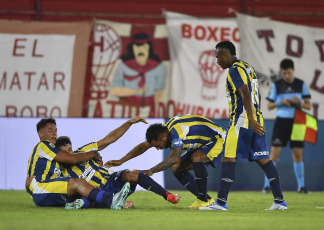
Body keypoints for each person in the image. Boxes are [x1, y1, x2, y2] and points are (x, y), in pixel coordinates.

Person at [200, 41, 287, 211]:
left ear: (226, 54)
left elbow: (245, 93)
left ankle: (221, 203)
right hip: (255, 120)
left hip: (242, 121)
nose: (217, 61)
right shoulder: (248, 67)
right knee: (264, 160)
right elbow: (257, 94)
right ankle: (279, 202)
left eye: (217, 57)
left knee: (228, 157)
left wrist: (250, 119)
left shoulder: (234, 70)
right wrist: (256, 117)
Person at [55, 118, 180, 209]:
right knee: (90, 196)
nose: (70, 154)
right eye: (65, 153)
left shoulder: (82, 152)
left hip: (111, 180)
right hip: (97, 192)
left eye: (70, 150)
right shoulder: (61, 172)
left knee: (132, 174)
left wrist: (129, 122)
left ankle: (167, 195)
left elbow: (109, 139)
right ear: (60, 156)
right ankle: (113, 201)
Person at [106, 114, 225, 209]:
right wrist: (121, 160)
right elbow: (143, 146)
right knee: (177, 168)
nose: (158, 149)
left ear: (164, 138)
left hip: (216, 138)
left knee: (196, 158)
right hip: (201, 142)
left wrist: (151, 171)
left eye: (158, 145)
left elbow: (174, 158)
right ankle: (207, 200)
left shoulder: (176, 134)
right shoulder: (163, 132)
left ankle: (204, 201)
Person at [26, 118, 130, 209]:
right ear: (40, 133)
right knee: (78, 183)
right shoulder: (43, 145)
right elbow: (73, 159)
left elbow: (107, 140)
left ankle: (115, 202)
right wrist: (93, 154)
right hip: (42, 187)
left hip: (48, 190)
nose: (54, 133)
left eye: (56, 130)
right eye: (50, 130)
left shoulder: (55, 156)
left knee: (91, 191)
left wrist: (28, 186)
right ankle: (112, 201)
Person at [262, 58, 311, 194]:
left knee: (297, 154)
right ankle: (267, 186)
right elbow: (269, 105)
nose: (287, 75)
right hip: (281, 122)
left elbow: (308, 105)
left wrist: (296, 104)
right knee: (274, 155)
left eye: (289, 72)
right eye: (284, 73)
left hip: (297, 122)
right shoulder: (277, 85)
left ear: (293, 70)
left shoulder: (301, 84)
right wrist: (281, 102)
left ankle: (301, 187)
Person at [110, 33, 166, 117]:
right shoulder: (124, 65)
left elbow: (159, 95)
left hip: (149, 111)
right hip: (126, 110)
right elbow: (113, 91)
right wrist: (135, 91)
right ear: (132, 49)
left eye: (144, 47)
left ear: (149, 48)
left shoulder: (159, 67)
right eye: (137, 47)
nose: (140, 51)